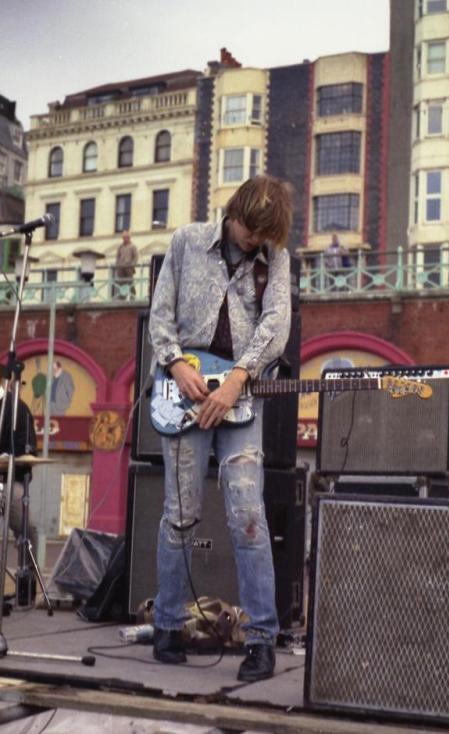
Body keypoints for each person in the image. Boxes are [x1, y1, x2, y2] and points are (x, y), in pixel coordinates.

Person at [149, 175, 293, 682]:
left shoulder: (274, 258)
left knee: (249, 518)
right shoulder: (187, 242)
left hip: (240, 398)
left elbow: (276, 324)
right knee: (180, 513)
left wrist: (237, 379)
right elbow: (159, 315)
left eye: (264, 233)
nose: (254, 239)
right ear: (233, 212)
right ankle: (166, 626)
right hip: (185, 393)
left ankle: (261, 640)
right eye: (250, 228)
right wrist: (175, 364)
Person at [0, 388, 39, 556]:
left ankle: (27, 577)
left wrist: (8, 457)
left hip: (9, 479)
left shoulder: (18, 408)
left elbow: (27, 448)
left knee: (27, 527)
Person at [115, 231, 138, 300]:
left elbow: (136, 257)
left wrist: (132, 264)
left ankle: (132, 297)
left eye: (126, 238)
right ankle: (122, 297)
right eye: (124, 238)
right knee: (121, 283)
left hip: (129, 267)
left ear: (129, 238)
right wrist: (118, 264)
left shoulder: (133, 246)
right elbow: (117, 256)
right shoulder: (120, 247)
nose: (125, 239)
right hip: (121, 267)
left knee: (130, 282)